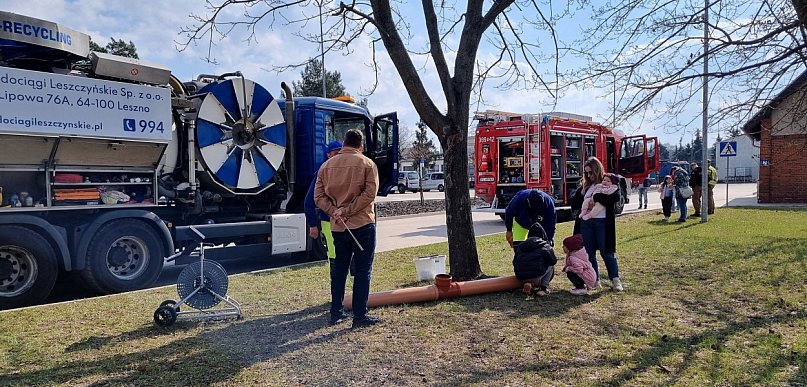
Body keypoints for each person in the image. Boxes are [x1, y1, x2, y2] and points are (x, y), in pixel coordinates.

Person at [314, 129, 380, 329]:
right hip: (362, 224)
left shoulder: (326, 166)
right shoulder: (368, 164)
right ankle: (360, 316)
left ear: (344, 144)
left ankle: (336, 313)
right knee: (362, 271)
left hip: (338, 227)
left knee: (339, 270)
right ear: (360, 146)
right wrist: (348, 210)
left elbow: (318, 197)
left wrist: (335, 212)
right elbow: (370, 194)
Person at [579, 157, 623, 291]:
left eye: (591, 172)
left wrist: (596, 198)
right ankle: (594, 279)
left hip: (603, 222)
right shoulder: (586, 186)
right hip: (586, 222)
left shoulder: (609, 182)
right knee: (589, 252)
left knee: (607, 251)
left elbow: (615, 198)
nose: (589, 175)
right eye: (586, 173)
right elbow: (575, 201)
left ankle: (615, 279)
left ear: (597, 170)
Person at [304, 140, 343, 262]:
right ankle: (338, 280)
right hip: (329, 221)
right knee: (335, 255)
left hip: (347, 220)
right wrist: (313, 225)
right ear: (328, 155)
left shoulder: (347, 171)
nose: (339, 157)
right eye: (336, 153)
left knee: (347, 256)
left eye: (341, 153)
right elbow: (309, 201)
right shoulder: (322, 173)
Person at [513, 223, 557, 297]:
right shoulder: (545, 246)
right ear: (543, 235)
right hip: (536, 276)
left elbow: (514, 261)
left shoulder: (521, 246)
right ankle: (543, 288)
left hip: (520, 276)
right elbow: (553, 261)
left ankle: (528, 283)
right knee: (551, 266)